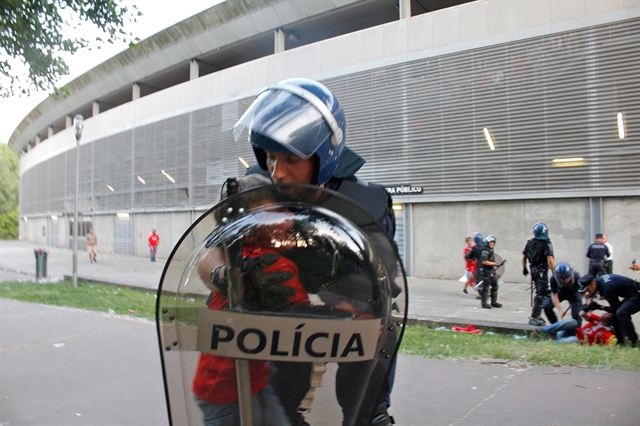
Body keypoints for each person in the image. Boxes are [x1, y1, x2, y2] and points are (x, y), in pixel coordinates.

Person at [230, 78, 399, 425]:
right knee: (277, 406)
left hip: (349, 324)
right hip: (277, 327)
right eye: (272, 157)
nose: (278, 172)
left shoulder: (366, 203)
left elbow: (384, 281)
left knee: (366, 403)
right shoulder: (254, 192)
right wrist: (224, 273)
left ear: (325, 156)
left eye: (292, 158)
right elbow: (214, 253)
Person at [578, 273, 640, 347]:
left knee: (621, 313)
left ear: (593, 284)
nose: (587, 293)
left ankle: (634, 342)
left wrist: (599, 307)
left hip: (637, 294)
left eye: (587, 289)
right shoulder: (600, 282)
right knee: (616, 315)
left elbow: (615, 309)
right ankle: (620, 342)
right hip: (633, 293)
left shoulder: (607, 289)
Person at [522, 222, 555, 326]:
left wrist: (524, 268)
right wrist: (555, 273)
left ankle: (537, 314)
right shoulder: (547, 243)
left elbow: (524, 257)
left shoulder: (530, 242)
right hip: (542, 271)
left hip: (533, 270)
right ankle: (534, 317)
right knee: (541, 294)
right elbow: (550, 259)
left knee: (542, 292)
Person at [477, 235, 503, 309]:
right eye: (490, 243)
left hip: (490, 271)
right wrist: (495, 264)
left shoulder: (490, 250)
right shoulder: (485, 250)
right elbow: (484, 261)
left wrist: (495, 265)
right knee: (486, 287)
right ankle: (484, 303)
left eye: (493, 243)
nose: (492, 244)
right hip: (486, 272)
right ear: (487, 243)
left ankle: (493, 302)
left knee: (495, 285)